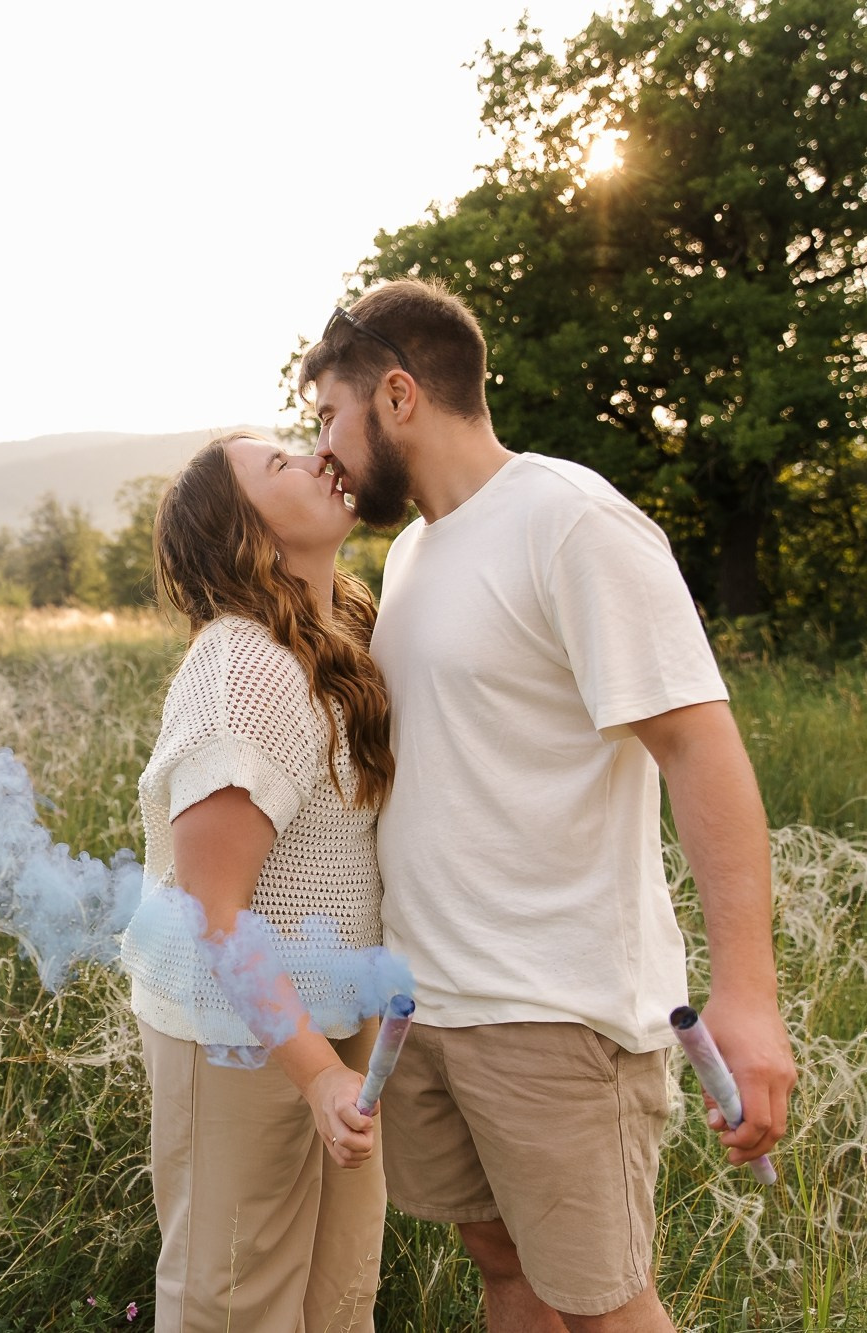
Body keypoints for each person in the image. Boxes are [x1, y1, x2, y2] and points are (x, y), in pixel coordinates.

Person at [302, 277, 796, 1332]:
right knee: (504, 1274)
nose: (322, 451)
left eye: (327, 417)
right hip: (429, 1005)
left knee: (603, 1308)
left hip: (556, 1012)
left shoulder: (569, 521)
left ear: (395, 397)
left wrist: (745, 996)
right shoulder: (414, 553)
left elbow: (698, 747)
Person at [119, 429, 398, 1332]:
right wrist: (316, 1075)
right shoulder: (244, 670)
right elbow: (214, 912)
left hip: (332, 1024)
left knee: (339, 1298)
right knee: (233, 1306)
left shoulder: (338, 636)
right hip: (240, 1037)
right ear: (242, 532)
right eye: (278, 464)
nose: (315, 457)